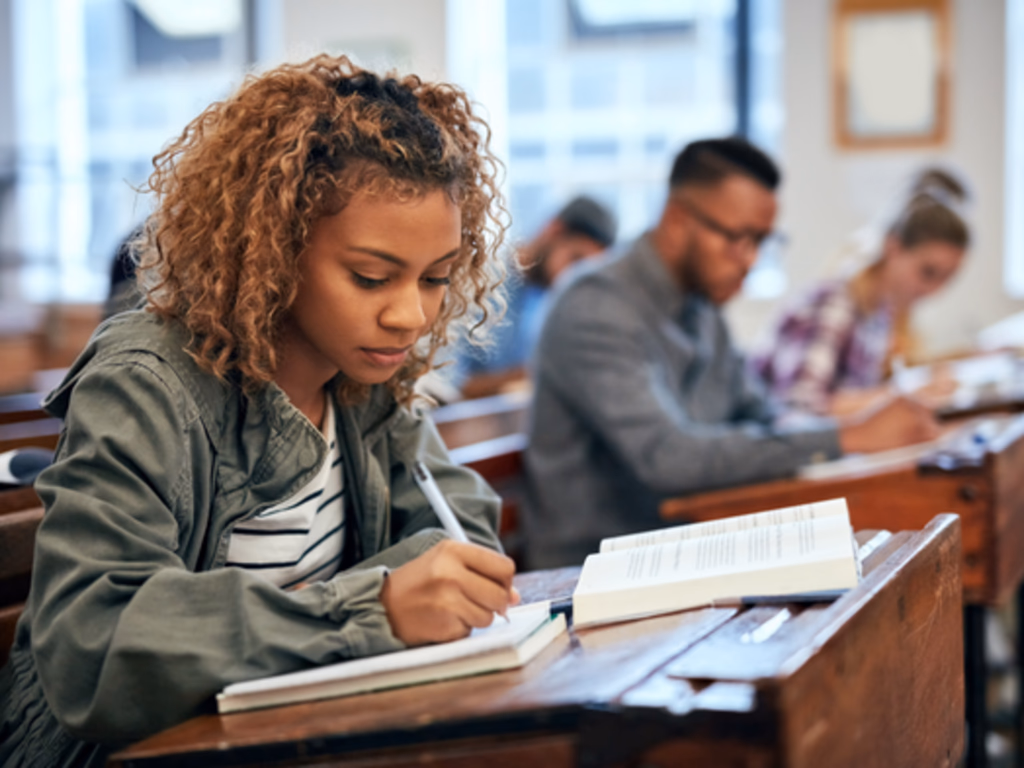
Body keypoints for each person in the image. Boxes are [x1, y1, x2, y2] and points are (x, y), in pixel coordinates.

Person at [0, 55, 517, 767]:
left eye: (436, 278)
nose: (411, 316)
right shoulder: (147, 384)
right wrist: (370, 608)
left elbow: (466, 537)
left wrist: (383, 601)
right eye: (371, 277)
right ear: (271, 247)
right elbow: (97, 647)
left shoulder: (364, 377)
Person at [523, 137, 939, 569]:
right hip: (592, 572)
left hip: (687, 548)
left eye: (761, 241)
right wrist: (849, 435)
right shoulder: (593, 306)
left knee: (874, 558)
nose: (750, 260)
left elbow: (759, 412)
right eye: (738, 238)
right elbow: (671, 459)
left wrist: (845, 435)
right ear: (678, 219)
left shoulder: (701, 305)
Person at [751, 169, 970, 416]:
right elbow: (799, 409)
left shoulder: (880, 311)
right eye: (928, 272)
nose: (935, 290)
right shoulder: (833, 303)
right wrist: (905, 397)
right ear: (893, 247)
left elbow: (859, 393)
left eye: (947, 279)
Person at [454, 195, 616, 399]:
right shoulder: (475, 280)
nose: (573, 278)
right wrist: (534, 374)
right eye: (576, 260)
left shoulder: (551, 300)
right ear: (553, 231)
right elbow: (446, 387)